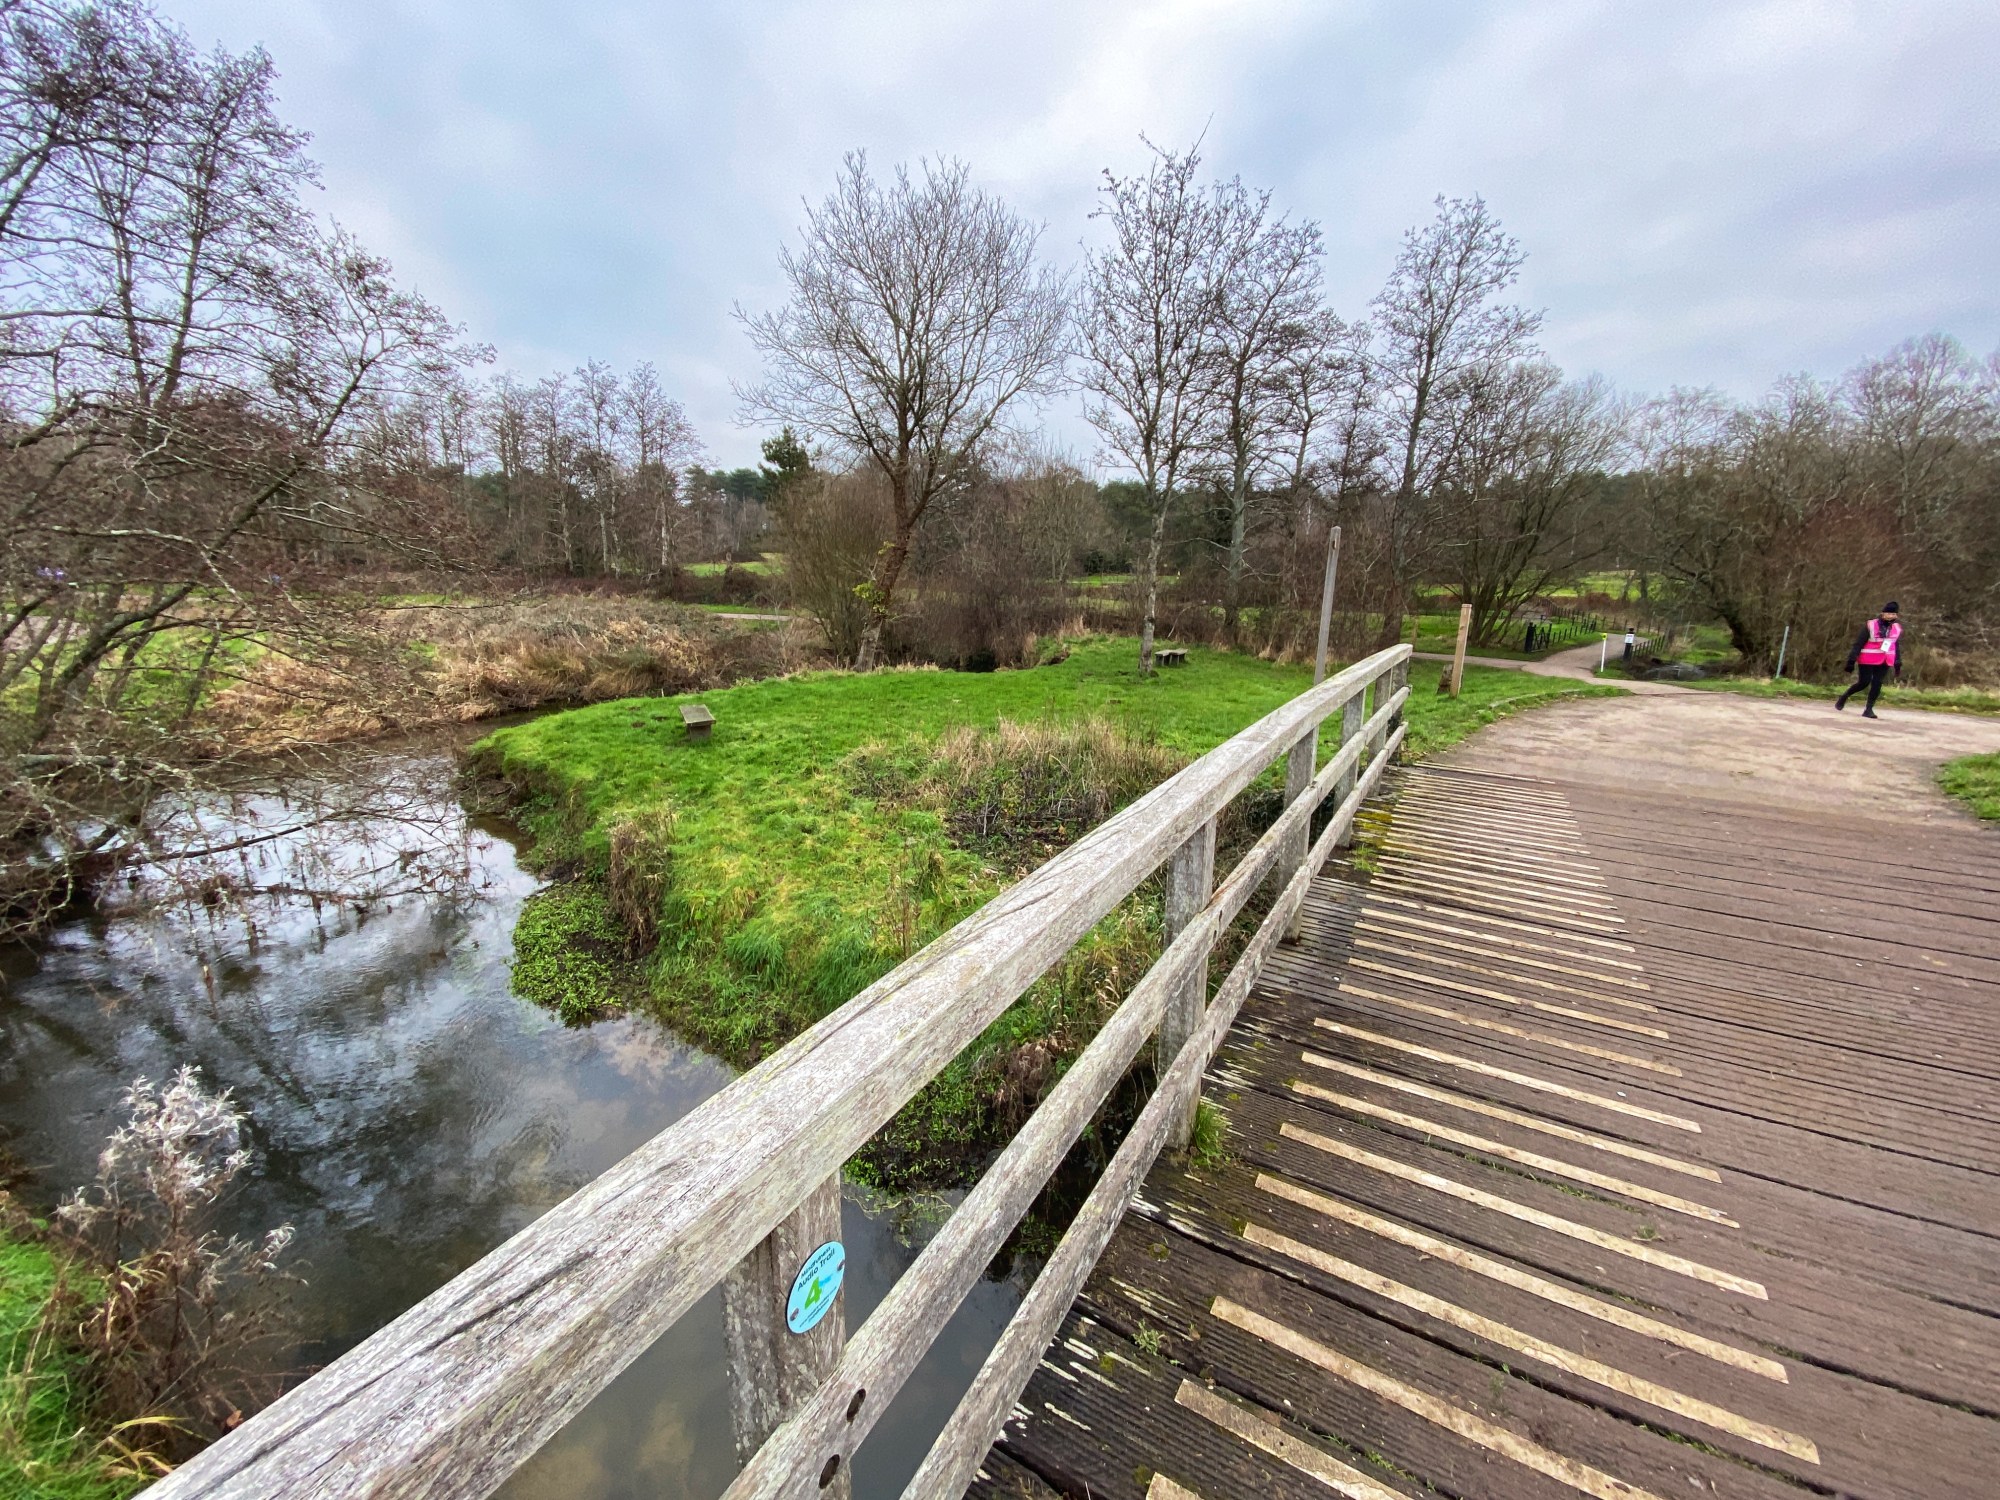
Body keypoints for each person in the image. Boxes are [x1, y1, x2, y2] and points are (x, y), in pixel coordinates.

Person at [1836, 602, 1902, 718]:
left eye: (1893, 614)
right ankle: (1845, 696)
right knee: (1864, 682)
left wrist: (1898, 663)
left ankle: (1869, 709)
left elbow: (1896, 646)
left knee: (1877, 683)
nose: (1891, 616)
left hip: (1885, 660)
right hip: (1868, 659)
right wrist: (1851, 660)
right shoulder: (1871, 625)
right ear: (1882, 613)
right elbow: (1858, 643)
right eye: (1888, 613)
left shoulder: (1897, 628)